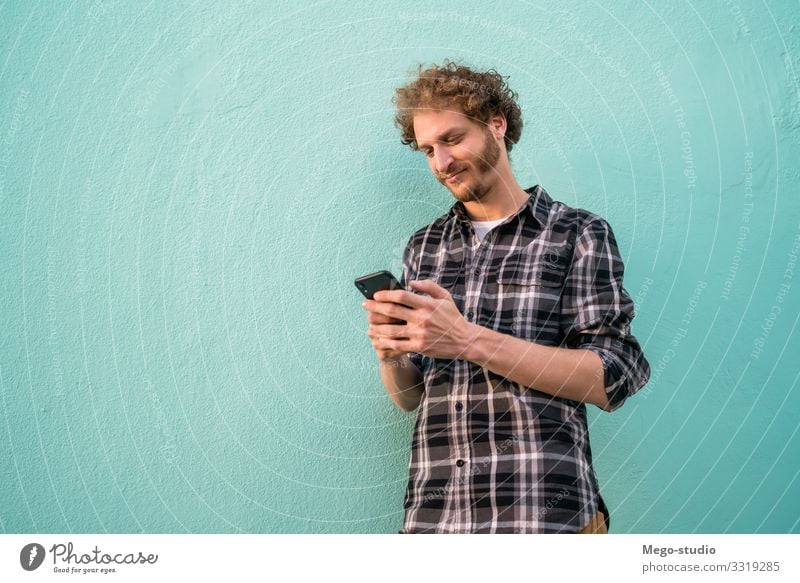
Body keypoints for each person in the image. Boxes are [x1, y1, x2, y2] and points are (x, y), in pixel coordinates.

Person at [362, 60, 651, 534]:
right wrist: (391, 356)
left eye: (452, 140)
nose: (440, 163)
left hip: (541, 515)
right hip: (436, 522)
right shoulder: (424, 247)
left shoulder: (577, 233)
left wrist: (466, 339)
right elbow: (410, 398)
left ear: (497, 124)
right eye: (428, 149)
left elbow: (612, 377)